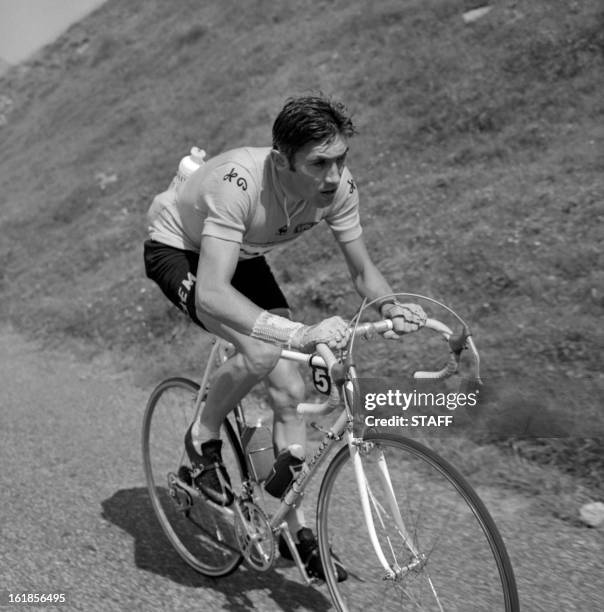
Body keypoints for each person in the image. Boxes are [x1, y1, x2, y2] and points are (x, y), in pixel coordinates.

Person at [143, 94, 426, 581]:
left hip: (242, 254)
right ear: (282, 160)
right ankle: (202, 434)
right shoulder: (241, 183)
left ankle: (295, 530)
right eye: (319, 164)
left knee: (291, 392)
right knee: (261, 348)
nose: (334, 176)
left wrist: (392, 306)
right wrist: (299, 330)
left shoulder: (338, 189)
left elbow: (362, 272)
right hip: (180, 249)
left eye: (341, 160)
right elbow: (211, 292)